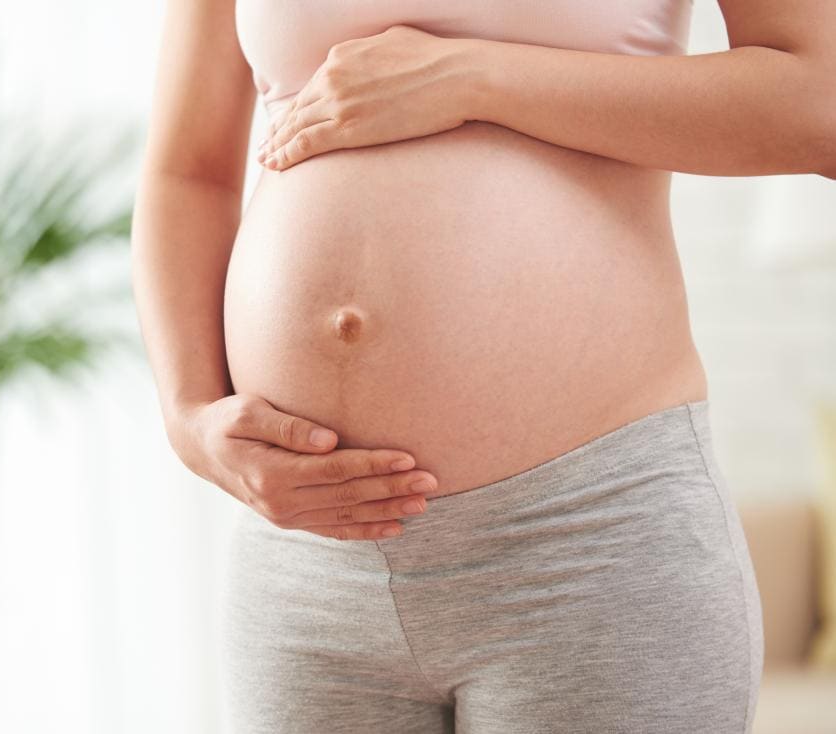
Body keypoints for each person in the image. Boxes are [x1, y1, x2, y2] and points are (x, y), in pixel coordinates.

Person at [130, 0, 835, 731]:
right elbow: (190, 171)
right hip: (308, 560)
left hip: (586, 541)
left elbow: (820, 101)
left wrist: (477, 78)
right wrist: (189, 417)